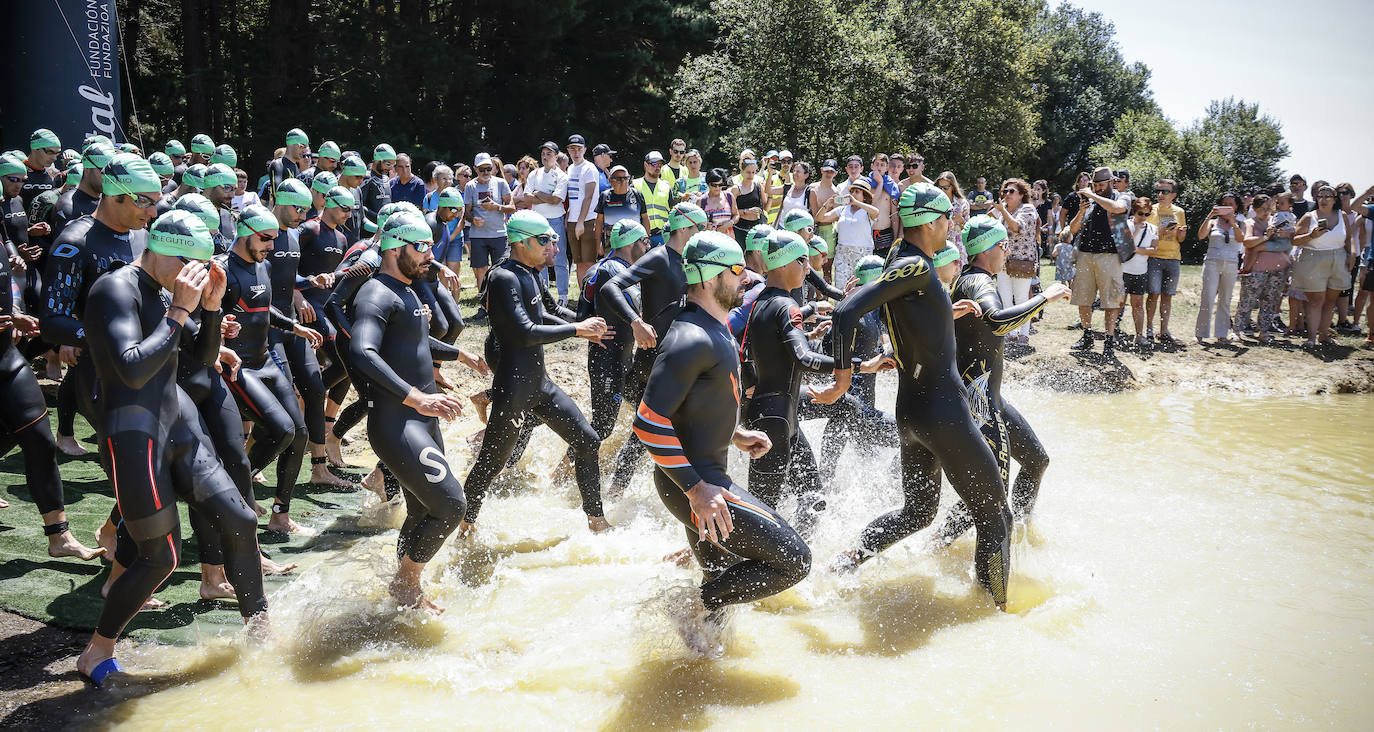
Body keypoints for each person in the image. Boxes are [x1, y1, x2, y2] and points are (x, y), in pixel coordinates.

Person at [76, 209, 266, 688]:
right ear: (162, 251)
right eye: (190, 264)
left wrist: (211, 310)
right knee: (160, 556)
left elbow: (200, 363)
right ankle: (96, 652)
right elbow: (131, 369)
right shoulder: (114, 290)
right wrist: (179, 311)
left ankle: (260, 634)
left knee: (241, 519)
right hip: (133, 436)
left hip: (178, 421)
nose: (194, 276)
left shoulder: (165, 290)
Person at [827, 183, 1012, 609]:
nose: (951, 225)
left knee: (918, 513)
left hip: (911, 411)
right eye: (947, 217)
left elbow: (911, 313)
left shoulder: (902, 257)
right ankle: (996, 613)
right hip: (943, 411)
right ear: (929, 222)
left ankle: (842, 564)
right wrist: (841, 380)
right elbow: (844, 311)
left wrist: (946, 309)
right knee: (995, 514)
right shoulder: (914, 266)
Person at [630, 230, 809, 656]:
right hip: (696, 483)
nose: (748, 277)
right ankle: (688, 607)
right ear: (710, 278)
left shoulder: (713, 327)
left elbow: (691, 405)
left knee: (722, 576)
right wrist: (697, 490)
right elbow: (647, 422)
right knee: (795, 559)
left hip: (701, 476)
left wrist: (735, 433)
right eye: (737, 270)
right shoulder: (690, 337)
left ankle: (702, 663)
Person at [347, 210, 479, 613]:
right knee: (452, 505)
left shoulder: (406, 290)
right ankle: (405, 583)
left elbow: (415, 341)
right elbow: (362, 351)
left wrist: (461, 355)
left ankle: (405, 589)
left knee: (423, 508)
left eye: (431, 246)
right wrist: (416, 397)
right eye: (421, 247)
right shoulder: (376, 294)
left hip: (421, 420)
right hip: (397, 423)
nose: (430, 255)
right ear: (394, 247)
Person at [459, 211, 612, 534]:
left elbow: (544, 314)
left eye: (552, 240)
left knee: (587, 441)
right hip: (513, 387)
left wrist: (586, 329)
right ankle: (464, 525)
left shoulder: (530, 274)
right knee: (491, 464)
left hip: (540, 384)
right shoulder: (503, 278)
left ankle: (597, 521)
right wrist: (578, 329)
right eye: (543, 240)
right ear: (520, 242)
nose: (551, 247)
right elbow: (524, 332)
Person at [936, 216, 1072, 544]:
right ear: (988, 249)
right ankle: (942, 543)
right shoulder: (979, 282)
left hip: (989, 398)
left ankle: (1020, 531)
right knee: (991, 493)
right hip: (979, 402)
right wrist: (1045, 297)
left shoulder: (970, 279)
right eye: (1004, 245)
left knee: (1036, 460)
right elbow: (998, 322)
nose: (1008, 252)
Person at [0, 189, 103, 560]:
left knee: (40, 441)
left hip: (7, 359)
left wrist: (15, 312)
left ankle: (59, 538)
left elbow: (10, 280)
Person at [220, 204, 324, 533]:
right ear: (245, 233)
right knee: (280, 431)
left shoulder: (262, 266)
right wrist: (218, 330)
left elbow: (262, 310)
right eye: (266, 239)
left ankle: (280, 516)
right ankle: (230, 492)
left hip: (263, 359)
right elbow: (202, 317)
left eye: (274, 239)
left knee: (299, 433)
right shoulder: (221, 270)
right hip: (235, 367)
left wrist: (295, 327)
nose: (271, 246)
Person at [735, 230, 845, 537]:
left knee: (814, 501)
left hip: (781, 418)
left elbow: (762, 349)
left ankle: (799, 556)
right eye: (803, 260)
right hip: (773, 421)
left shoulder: (762, 301)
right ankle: (713, 554)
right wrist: (854, 365)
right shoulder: (786, 306)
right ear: (784, 264)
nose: (808, 268)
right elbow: (804, 359)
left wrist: (808, 322)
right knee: (759, 517)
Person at [599, 202, 707, 493]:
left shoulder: (688, 261)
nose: (703, 233)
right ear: (685, 227)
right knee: (651, 427)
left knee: (661, 427)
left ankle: (629, 489)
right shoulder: (658, 257)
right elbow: (610, 287)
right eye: (701, 227)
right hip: (655, 359)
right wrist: (636, 322)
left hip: (677, 358)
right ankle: (622, 489)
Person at [579, 219, 649, 446]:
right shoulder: (604, 271)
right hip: (606, 362)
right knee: (602, 427)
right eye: (644, 241)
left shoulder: (627, 270)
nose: (647, 247)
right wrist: (587, 330)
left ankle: (625, 462)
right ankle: (563, 466)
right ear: (630, 243)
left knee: (649, 412)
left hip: (625, 359)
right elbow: (582, 316)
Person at [1066, 167, 1128, 356]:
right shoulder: (1091, 201)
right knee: (1083, 298)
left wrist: (1092, 195)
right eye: (1095, 185)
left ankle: (1109, 340)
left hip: (1110, 256)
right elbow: (1073, 229)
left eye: (1101, 184)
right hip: (1085, 254)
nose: (1098, 188)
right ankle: (1087, 335)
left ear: (1111, 182)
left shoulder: (1122, 197)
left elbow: (1117, 208)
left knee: (1111, 300)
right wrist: (1081, 212)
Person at [1292, 184, 1355, 347]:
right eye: (1320, 196)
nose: (1323, 199)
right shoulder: (1309, 217)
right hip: (1313, 258)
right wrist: (1311, 235)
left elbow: (1348, 238)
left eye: (1327, 196)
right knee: (1316, 300)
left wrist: (1351, 254)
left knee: (1330, 301)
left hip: (1338, 258)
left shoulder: (1342, 215)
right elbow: (1294, 240)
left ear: (1335, 200)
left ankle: (1324, 335)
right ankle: (1311, 338)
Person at [991, 178, 1040, 347]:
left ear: (1021, 195)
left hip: (1021, 261)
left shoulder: (1027, 208)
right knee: (1005, 298)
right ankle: (1011, 333)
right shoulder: (1001, 210)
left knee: (1021, 299)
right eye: (1005, 191)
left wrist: (1002, 210)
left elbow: (1017, 227)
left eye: (1011, 191)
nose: (1007, 194)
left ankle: (1024, 334)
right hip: (1002, 261)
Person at [1236, 194, 1290, 344]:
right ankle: (1237, 331)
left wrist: (1286, 234)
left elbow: (1290, 239)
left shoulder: (1276, 221)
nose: (1266, 212)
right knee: (1247, 300)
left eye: (1269, 208)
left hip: (1278, 268)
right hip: (1255, 269)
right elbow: (1247, 242)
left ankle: (1264, 331)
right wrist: (1266, 236)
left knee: (1270, 301)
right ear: (1254, 208)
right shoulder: (1249, 222)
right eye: (1262, 209)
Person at [464, 152, 515, 309]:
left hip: (498, 234)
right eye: (482, 169)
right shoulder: (470, 186)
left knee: (501, 271)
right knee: (481, 271)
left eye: (488, 168)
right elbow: (466, 212)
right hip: (478, 235)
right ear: (475, 169)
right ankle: (484, 306)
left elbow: (512, 207)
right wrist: (473, 219)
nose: (486, 172)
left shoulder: (500, 183)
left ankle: (502, 305)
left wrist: (497, 207)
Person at [522, 142, 570, 302]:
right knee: (540, 257)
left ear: (556, 156)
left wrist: (537, 193)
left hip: (556, 220)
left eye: (549, 154)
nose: (545, 156)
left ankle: (562, 295)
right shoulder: (534, 174)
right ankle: (543, 294)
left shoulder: (562, 176)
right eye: (543, 153)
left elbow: (556, 200)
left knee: (559, 258)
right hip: (538, 221)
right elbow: (526, 197)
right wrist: (546, 197)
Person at [1195, 192, 1244, 343]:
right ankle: (1200, 333)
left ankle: (1222, 334)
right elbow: (1201, 235)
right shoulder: (1213, 222)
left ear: (1236, 206)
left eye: (1231, 204)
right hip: (1212, 262)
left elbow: (1241, 239)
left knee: (1226, 299)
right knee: (1207, 297)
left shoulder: (1241, 223)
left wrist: (1233, 223)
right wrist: (1210, 215)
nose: (1227, 206)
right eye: (1224, 203)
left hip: (1231, 263)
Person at [1144, 178, 1186, 345]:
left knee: (1167, 296)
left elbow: (1181, 239)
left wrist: (1181, 233)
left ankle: (1164, 331)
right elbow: (1146, 236)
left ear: (1173, 195)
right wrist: (1160, 232)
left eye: (1165, 191)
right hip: (1154, 257)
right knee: (1153, 294)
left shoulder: (1179, 212)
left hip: (1173, 258)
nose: (1160, 194)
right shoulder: (1150, 210)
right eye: (1158, 191)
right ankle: (1148, 329)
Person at [824, 176, 879, 288]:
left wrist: (856, 202)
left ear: (864, 196)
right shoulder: (842, 209)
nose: (853, 194)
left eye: (857, 192)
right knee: (841, 287)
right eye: (851, 191)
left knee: (862, 288)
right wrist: (826, 205)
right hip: (843, 253)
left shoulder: (867, 211)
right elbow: (821, 218)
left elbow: (876, 212)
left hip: (863, 253)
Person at [565, 135, 601, 290]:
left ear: (585, 150)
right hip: (573, 221)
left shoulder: (589, 168)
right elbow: (574, 196)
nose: (576, 152)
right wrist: (569, 215)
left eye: (579, 149)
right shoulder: (570, 168)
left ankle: (592, 296)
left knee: (589, 262)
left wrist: (580, 221)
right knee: (578, 262)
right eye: (572, 149)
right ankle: (583, 296)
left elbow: (588, 196)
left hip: (587, 220)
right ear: (568, 150)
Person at [1122, 197, 1158, 347]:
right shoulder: (1126, 225)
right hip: (1123, 270)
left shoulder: (1153, 228)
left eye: (1147, 214)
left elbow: (1153, 250)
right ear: (1134, 212)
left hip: (1140, 271)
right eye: (1140, 213)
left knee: (1138, 304)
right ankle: (1112, 334)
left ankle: (1139, 335)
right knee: (1119, 303)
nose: (1143, 217)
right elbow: (1124, 246)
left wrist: (1135, 249)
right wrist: (1136, 231)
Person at [594, 166, 649, 256]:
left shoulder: (637, 194)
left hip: (636, 245)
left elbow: (645, 218)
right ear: (610, 180)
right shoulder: (605, 196)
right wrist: (598, 244)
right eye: (619, 179)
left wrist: (646, 240)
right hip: (611, 246)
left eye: (626, 178)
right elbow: (599, 221)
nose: (623, 181)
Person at [634, 151, 674, 246]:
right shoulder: (635, 185)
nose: (658, 167)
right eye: (654, 164)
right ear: (646, 165)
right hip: (641, 236)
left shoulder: (666, 187)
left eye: (660, 164)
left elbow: (671, 211)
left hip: (663, 235)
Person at [729, 157, 769, 250]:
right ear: (742, 172)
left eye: (753, 172)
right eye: (748, 172)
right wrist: (747, 211)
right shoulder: (736, 189)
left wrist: (770, 194)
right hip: (740, 229)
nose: (751, 175)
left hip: (756, 229)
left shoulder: (758, 186)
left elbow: (766, 208)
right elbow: (731, 212)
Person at [19, 129, 61, 211]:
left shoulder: (55, 174)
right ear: (35, 148)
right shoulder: (15, 173)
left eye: (57, 153)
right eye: (50, 152)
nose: (55, 158)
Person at [266, 128, 309, 203]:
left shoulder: (296, 168)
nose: (304, 151)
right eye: (302, 146)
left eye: (306, 148)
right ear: (291, 145)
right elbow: (277, 194)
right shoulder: (278, 164)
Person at [935, 172, 969, 261]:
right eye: (940, 188)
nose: (942, 190)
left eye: (946, 188)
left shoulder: (962, 203)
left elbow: (968, 229)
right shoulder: (934, 203)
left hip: (958, 245)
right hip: (940, 246)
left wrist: (961, 220)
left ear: (953, 187)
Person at [701, 168, 737, 234]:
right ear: (708, 184)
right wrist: (705, 227)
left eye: (720, 185)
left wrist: (729, 223)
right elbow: (697, 224)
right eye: (714, 185)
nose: (717, 187)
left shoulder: (729, 196)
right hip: (709, 238)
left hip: (728, 237)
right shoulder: (702, 200)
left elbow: (736, 215)